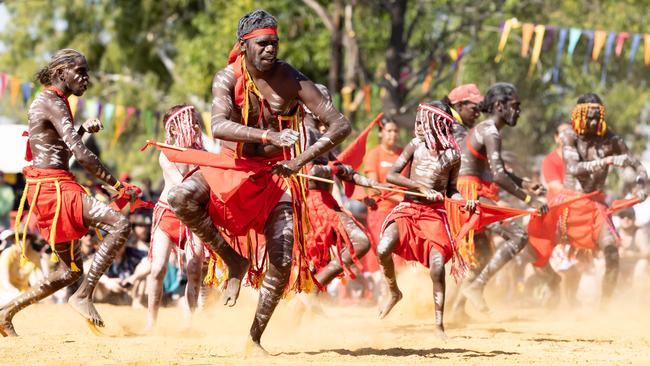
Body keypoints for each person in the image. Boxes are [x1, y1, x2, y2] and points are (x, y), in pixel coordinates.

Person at [167, 10, 351, 354]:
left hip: (274, 176)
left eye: (275, 43)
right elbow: (218, 126)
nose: (271, 50)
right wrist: (267, 133)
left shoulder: (291, 78)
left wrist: (298, 160)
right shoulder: (227, 77)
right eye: (263, 44)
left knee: (282, 259)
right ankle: (233, 260)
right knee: (180, 199)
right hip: (230, 166)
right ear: (243, 46)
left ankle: (254, 337)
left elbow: (340, 124)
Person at [0, 49, 139, 337]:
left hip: (49, 186)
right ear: (62, 73)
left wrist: (81, 130)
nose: (87, 79)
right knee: (121, 224)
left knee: (69, 272)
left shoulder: (52, 101)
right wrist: (117, 186)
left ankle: (5, 313)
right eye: (81, 72)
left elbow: (56, 147)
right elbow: (80, 154)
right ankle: (84, 295)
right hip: (55, 188)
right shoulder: (53, 101)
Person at [529, 93, 648, 304]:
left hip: (595, 207)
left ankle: (605, 306)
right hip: (567, 207)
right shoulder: (569, 137)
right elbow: (574, 168)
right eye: (588, 117)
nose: (593, 122)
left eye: (597, 117)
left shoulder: (611, 139)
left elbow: (635, 163)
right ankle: (550, 280)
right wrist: (609, 160)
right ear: (578, 115)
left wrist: (643, 186)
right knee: (534, 242)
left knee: (611, 252)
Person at [376, 101, 474, 339]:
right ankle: (393, 292)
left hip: (434, 215)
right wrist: (419, 186)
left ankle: (439, 325)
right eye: (417, 121)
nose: (417, 126)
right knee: (382, 248)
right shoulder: (414, 145)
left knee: (438, 266)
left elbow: (451, 189)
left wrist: (463, 201)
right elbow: (392, 175)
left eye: (422, 121)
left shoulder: (453, 155)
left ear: (437, 123)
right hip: (408, 209)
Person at [457, 83, 548, 313]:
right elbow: (498, 176)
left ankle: (457, 309)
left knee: (484, 255)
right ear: (499, 106)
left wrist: (525, 183)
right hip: (472, 194)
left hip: (470, 192)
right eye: (515, 106)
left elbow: (496, 173)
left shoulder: (486, 129)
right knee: (518, 236)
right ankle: (476, 287)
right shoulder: (491, 132)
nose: (518, 111)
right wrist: (530, 201)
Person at [302, 87, 376, 287]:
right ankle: (315, 288)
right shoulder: (304, 132)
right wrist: (332, 169)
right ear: (310, 106)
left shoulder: (318, 134)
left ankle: (312, 291)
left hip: (325, 201)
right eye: (324, 104)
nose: (329, 110)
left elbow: (341, 168)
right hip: (312, 203)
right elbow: (310, 172)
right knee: (360, 242)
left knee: (359, 243)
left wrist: (368, 183)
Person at [146, 104, 207, 332]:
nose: (194, 125)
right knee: (157, 268)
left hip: (194, 218)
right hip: (168, 214)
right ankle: (151, 322)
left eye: (194, 120)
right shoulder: (167, 154)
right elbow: (183, 189)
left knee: (194, 271)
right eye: (188, 121)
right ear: (173, 130)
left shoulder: (203, 150)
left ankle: (190, 324)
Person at [362, 119, 402, 274]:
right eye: (389, 130)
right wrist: (397, 197)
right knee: (383, 256)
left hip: (401, 212)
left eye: (395, 131)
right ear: (380, 133)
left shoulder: (403, 153)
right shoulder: (374, 154)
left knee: (401, 259)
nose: (393, 134)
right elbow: (373, 188)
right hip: (381, 212)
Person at [0, 232, 45, 306]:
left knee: (42, 297)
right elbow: (5, 282)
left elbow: (37, 278)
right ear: (14, 240)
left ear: (29, 240)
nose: (22, 240)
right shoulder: (7, 253)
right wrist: (19, 293)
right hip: (5, 292)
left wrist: (39, 292)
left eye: (25, 238)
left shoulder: (34, 254)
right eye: (19, 238)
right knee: (18, 298)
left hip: (24, 292)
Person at [541, 123, 571, 199]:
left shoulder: (581, 158)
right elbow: (556, 187)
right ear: (556, 138)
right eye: (564, 133)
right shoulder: (549, 160)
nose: (568, 136)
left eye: (570, 132)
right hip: (560, 205)